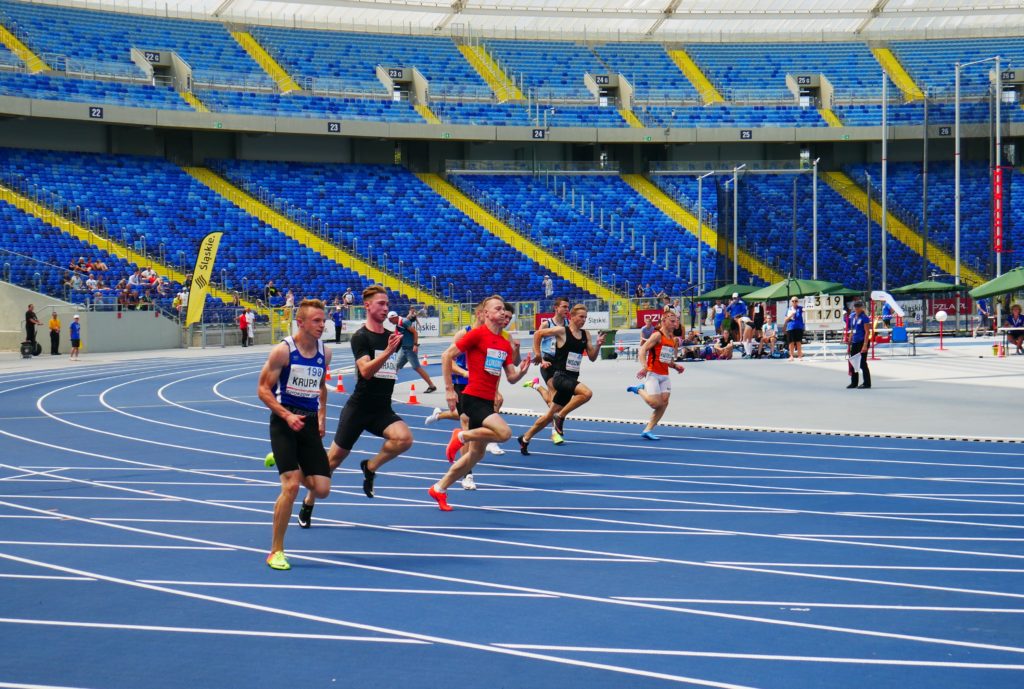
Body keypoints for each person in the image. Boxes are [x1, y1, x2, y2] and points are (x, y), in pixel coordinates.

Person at [297, 286, 413, 527]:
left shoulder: (390, 334)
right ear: (367, 306)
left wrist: (407, 333)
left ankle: (370, 467)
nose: (385, 307)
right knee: (332, 461)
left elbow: (409, 340)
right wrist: (390, 351)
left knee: (404, 439)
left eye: (387, 303)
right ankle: (308, 502)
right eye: (380, 303)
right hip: (359, 409)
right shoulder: (362, 337)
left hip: (382, 409)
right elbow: (366, 371)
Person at [429, 295, 531, 511]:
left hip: (487, 400)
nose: (503, 312)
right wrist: (449, 390)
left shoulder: (504, 343)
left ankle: (439, 488)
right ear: (485, 314)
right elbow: (447, 356)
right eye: (497, 308)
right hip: (473, 397)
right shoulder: (476, 335)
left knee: (475, 455)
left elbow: (511, 377)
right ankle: (460, 436)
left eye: (504, 309)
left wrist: (522, 369)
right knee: (504, 433)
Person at [257, 299, 332, 571]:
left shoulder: (326, 352)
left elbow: (322, 386)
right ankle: (276, 550)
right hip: (284, 421)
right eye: (316, 321)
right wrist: (287, 415)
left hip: (309, 423)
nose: (322, 325)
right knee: (291, 486)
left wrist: (322, 417)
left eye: (323, 321)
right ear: (300, 322)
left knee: (322, 490)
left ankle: (282, 458)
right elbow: (263, 389)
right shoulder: (283, 351)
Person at [518, 304, 603, 455]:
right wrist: (538, 354)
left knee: (548, 416)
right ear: (572, 316)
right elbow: (538, 334)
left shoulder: (586, 335)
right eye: (581, 317)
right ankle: (561, 416)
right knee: (587, 393)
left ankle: (525, 438)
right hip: (560, 377)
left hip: (571, 378)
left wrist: (597, 346)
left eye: (585, 317)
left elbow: (592, 358)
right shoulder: (562, 331)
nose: (583, 320)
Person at [626, 309, 685, 440]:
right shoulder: (657, 335)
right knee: (655, 404)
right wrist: (644, 367)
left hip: (665, 375)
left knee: (664, 403)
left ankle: (648, 430)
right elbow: (642, 350)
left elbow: (667, 359)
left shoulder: (672, 339)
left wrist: (676, 366)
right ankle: (640, 389)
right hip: (653, 373)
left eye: (676, 321)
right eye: (672, 321)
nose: (675, 324)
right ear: (664, 321)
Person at [523, 297, 569, 411]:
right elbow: (535, 342)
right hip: (548, 362)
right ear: (556, 308)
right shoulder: (546, 324)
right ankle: (556, 428)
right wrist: (541, 359)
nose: (567, 309)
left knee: (555, 401)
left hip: (562, 364)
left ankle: (536, 385)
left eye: (568, 307)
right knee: (554, 401)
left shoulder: (568, 324)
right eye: (564, 307)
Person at [389, 310, 437, 393]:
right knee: (395, 367)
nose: (389, 321)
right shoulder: (398, 323)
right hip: (404, 349)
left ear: (395, 317)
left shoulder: (404, 322)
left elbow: (415, 332)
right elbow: (400, 334)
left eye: (390, 319)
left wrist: (415, 345)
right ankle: (388, 386)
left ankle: (432, 386)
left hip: (410, 349)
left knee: (417, 368)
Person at [846, 300, 872, 389]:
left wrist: (865, 345)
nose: (857, 308)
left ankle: (867, 383)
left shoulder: (864, 318)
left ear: (862, 308)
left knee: (862, 363)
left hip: (862, 342)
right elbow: (852, 329)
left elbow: (867, 332)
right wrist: (850, 337)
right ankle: (854, 382)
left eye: (859, 307)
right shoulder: (853, 316)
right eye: (856, 307)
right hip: (855, 341)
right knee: (853, 362)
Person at [783, 296, 805, 361]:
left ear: (798, 302)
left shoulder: (800, 308)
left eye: (796, 301)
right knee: (791, 342)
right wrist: (791, 315)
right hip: (790, 327)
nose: (794, 302)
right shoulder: (789, 309)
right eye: (793, 301)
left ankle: (800, 356)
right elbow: (785, 319)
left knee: (798, 342)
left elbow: (806, 310)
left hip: (799, 327)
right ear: (791, 302)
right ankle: (791, 356)